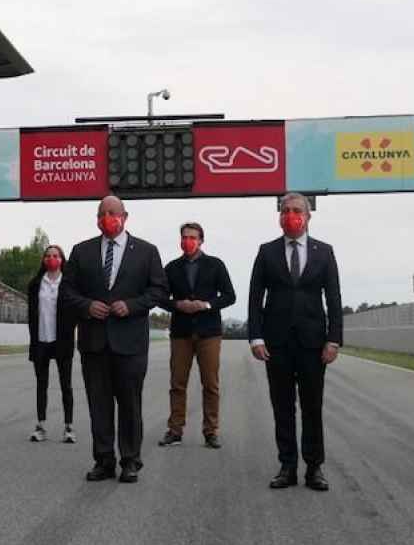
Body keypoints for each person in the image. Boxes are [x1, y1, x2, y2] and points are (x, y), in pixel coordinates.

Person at [60, 195, 167, 484]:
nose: (107, 217)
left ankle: (130, 461)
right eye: (102, 212)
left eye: (113, 212)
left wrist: (131, 305)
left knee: (130, 404)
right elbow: (67, 292)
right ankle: (104, 460)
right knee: (99, 405)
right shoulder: (81, 252)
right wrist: (87, 306)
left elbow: (158, 291)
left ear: (125, 216)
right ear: (97, 219)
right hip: (94, 343)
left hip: (130, 343)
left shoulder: (146, 252)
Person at [248, 192, 343, 492]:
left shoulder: (324, 252)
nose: (290, 215)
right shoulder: (266, 252)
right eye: (285, 210)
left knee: (312, 407)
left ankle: (314, 467)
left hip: (314, 344)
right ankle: (287, 465)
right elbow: (254, 297)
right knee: (282, 406)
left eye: (296, 210)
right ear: (279, 216)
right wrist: (256, 336)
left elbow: (334, 299)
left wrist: (334, 340)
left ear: (308, 216)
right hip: (276, 343)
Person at [162, 222, 237, 449]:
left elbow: (229, 296)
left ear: (201, 241)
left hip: (209, 333)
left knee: (210, 384)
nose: (188, 241)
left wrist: (205, 305)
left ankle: (211, 431)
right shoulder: (172, 268)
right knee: (177, 383)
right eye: (184, 237)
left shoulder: (215, 265)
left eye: (193, 237)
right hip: (181, 332)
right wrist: (177, 304)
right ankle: (175, 430)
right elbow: (159, 297)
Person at [25, 244, 76, 444]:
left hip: (62, 341)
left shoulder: (69, 284)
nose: (51, 259)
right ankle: (41, 425)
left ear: (62, 259)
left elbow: (74, 311)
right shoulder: (36, 284)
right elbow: (32, 315)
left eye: (55, 255)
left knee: (66, 385)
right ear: (43, 260)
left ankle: (69, 427)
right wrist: (32, 341)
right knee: (41, 384)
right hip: (41, 340)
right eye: (48, 256)